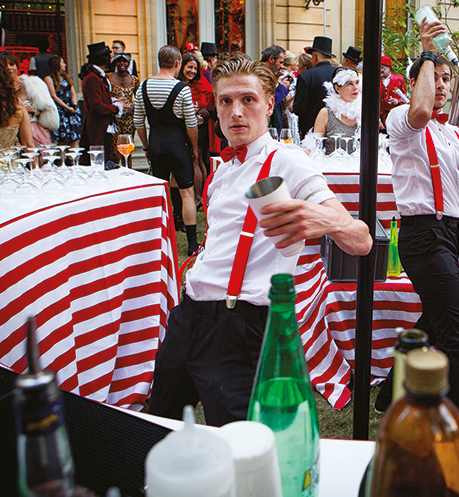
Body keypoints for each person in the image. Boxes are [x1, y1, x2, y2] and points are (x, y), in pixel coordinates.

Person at [148, 55, 371, 426]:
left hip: (238, 325)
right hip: (188, 316)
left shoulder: (286, 161)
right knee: (157, 423)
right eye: (226, 101)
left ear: (269, 105)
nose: (236, 112)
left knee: (242, 444)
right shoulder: (224, 169)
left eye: (248, 99)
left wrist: (319, 217)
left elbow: (360, 240)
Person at [374, 21, 459, 412]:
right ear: (417, 81)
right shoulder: (402, 118)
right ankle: (457, 421)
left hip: (449, 234)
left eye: (447, 79)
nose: (442, 85)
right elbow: (419, 111)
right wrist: (428, 52)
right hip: (422, 236)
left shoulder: (454, 134)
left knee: (433, 322)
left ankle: (388, 395)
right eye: (434, 77)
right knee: (456, 338)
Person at [135, 45, 200, 254]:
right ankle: (192, 244)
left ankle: (160, 241)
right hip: (178, 144)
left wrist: (146, 147)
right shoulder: (182, 88)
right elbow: (191, 123)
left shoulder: (143, 86)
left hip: (156, 143)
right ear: (177, 63)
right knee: (187, 193)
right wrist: (195, 147)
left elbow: (138, 122)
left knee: (160, 194)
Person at [178, 52, 214, 201]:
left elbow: (210, 92)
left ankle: (199, 197)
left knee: (196, 161)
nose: (192, 71)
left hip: (197, 125)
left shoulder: (197, 82)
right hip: (186, 125)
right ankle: (201, 195)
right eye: (190, 67)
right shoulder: (179, 83)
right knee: (196, 161)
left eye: (195, 68)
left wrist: (203, 110)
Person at [3, 51, 57, 146]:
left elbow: (48, 109)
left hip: (34, 131)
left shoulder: (33, 84)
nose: (9, 68)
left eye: (12, 64)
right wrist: (9, 94)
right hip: (10, 133)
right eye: (5, 65)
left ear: (17, 66)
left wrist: (34, 110)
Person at [79, 41, 121, 164]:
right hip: (97, 128)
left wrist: (114, 101)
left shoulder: (98, 77)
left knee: (104, 158)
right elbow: (96, 105)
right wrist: (116, 108)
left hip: (103, 126)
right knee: (98, 162)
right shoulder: (92, 78)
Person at [292, 36, 337, 137]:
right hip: (334, 131)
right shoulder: (339, 74)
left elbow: (299, 109)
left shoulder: (306, 76)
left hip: (311, 132)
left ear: (315, 56)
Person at [313, 67, 361, 154]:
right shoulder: (326, 113)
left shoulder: (365, 111)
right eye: (349, 84)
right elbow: (314, 145)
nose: (355, 87)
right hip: (333, 162)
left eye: (357, 82)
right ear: (337, 88)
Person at [45, 55, 82, 147]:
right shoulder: (49, 78)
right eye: (62, 62)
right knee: (62, 140)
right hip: (60, 110)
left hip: (71, 110)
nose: (65, 65)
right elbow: (53, 96)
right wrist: (67, 107)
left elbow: (72, 92)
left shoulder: (65, 77)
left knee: (73, 138)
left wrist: (74, 105)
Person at [109, 52, 138, 164]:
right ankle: (115, 168)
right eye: (119, 61)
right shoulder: (109, 77)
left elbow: (138, 97)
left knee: (128, 148)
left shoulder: (134, 79)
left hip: (129, 120)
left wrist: (134, 105)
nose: (122, 63)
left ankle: (128, 169)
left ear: (129, 63)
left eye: (125, 61)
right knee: (115, 150)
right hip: (114, 118)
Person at [378, 55, 407, 128]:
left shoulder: (399, 79)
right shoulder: (376, 80)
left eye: (382, 68)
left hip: (395, 115)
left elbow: (405, 96)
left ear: (388, 68)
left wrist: (398, 101)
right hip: (380, 116)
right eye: (379, 67)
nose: (380, 70)